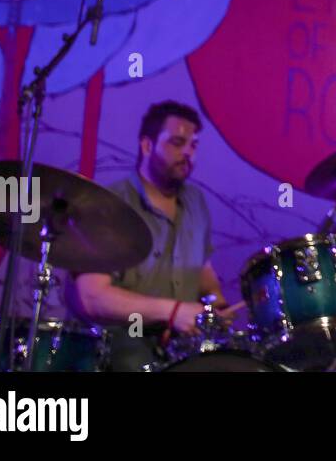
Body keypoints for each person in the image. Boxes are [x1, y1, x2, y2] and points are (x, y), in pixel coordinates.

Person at [69, 100, 231, 371]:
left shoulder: (197, 202)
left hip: (180, 348)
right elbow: (91, 297)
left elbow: (203, 272)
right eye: (177, 143)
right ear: (147, 145)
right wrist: (174, 312)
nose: (188, 153)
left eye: (193, 145)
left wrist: (218, 304)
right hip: (121, 346)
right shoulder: (109, 204)